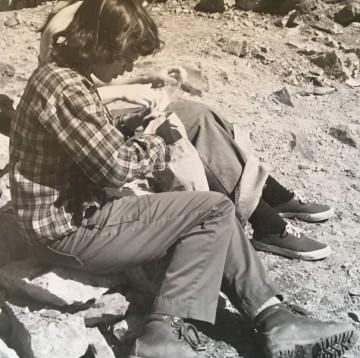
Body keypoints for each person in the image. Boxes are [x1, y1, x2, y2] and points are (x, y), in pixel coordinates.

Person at [10, 0, 357, 358]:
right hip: (70, 229)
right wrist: (154, 140)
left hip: (80, 211)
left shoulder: (66, 73)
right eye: (123, 58)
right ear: (99, 46)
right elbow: (116, 167)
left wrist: (141, 123)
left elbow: (96, 143)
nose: (127, 68)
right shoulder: (65, 87)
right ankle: (162, 333)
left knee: (209, 202)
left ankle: (274, 315)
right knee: (211, 210)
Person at [37, 0, 334, 262]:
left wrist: (144, 78)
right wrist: (127, 93)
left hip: (103, 115)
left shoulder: (103, 8)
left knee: (203, 114)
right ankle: (266, 219)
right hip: (95, 129)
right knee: (183, 124)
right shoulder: (73, 20)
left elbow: (92, 77)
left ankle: (269, 195)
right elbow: (67, 97)